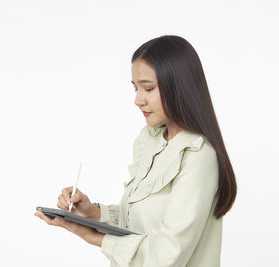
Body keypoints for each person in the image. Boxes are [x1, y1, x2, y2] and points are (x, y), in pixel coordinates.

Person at [34, 35, 237, 267]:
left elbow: (168, 254)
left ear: (178, 87)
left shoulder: (198, 155)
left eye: (148, 88)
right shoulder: (150, 141)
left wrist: (94, 237)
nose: (138, 100)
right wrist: (92, 213)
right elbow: (139, 223)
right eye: (135, 89)